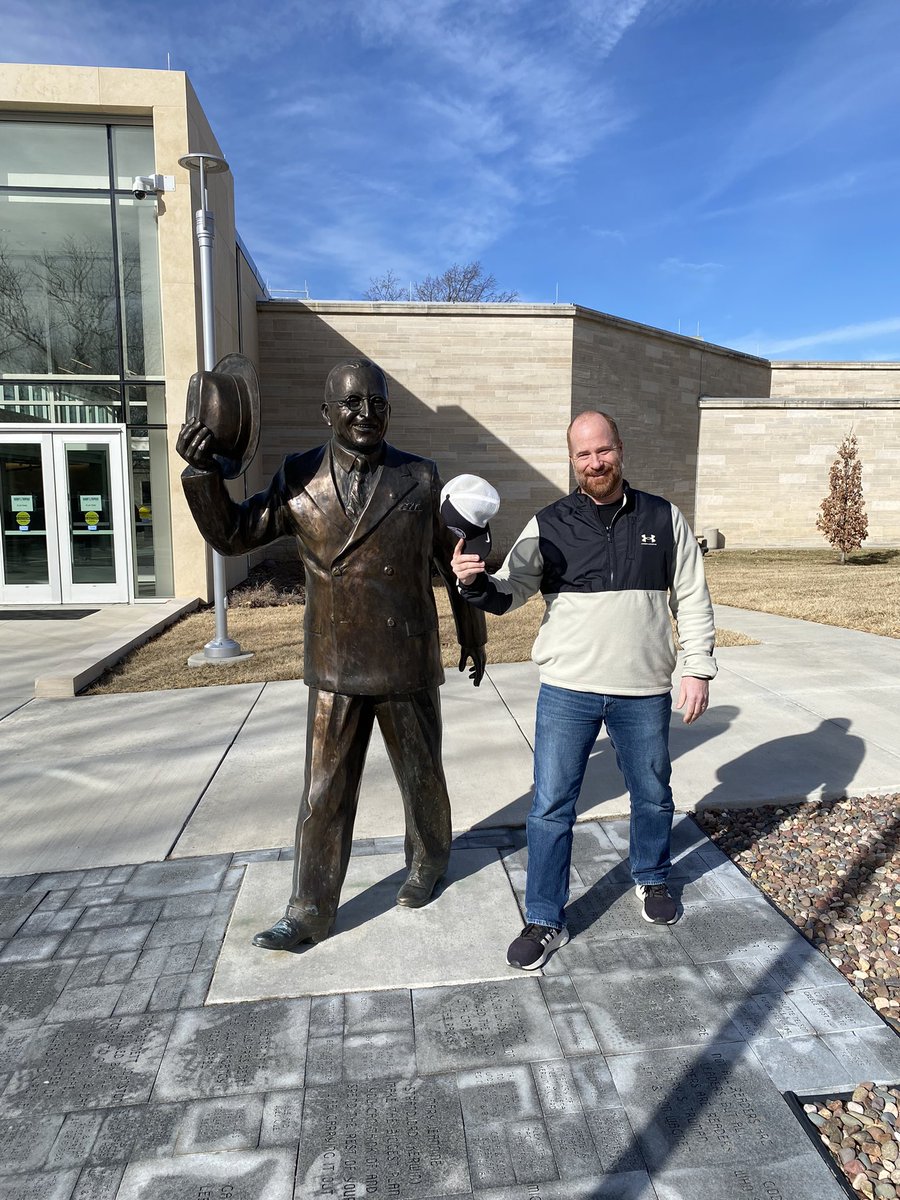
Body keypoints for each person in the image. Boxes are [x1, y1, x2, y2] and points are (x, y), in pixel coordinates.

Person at [177, 358, 486, 950]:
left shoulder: (420, 477)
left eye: (377, 402)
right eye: (351, 403)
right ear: (326, 413)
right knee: (323, 792)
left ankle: (428, 862)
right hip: (337, 661)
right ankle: (310, 910)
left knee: (422, 778)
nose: (366, 413)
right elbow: (234, 535)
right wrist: (202, 476)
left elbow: (456, 560)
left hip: (405, 656)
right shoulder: (297, 478)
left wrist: (473, 630)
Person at [451, 409, 716, 970]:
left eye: (603, 450)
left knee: (652, 793)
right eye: (583, 454)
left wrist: (697, 667)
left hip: (643, 689)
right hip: (568, 689)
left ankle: (651, 878)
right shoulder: (549, 523)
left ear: (620, 449)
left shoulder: (664, 518)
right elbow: (509, 592)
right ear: (571, 460)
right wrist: (472, 583)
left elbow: (690, 596)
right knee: (550, 806)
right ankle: (545, 918)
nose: (595, 462)